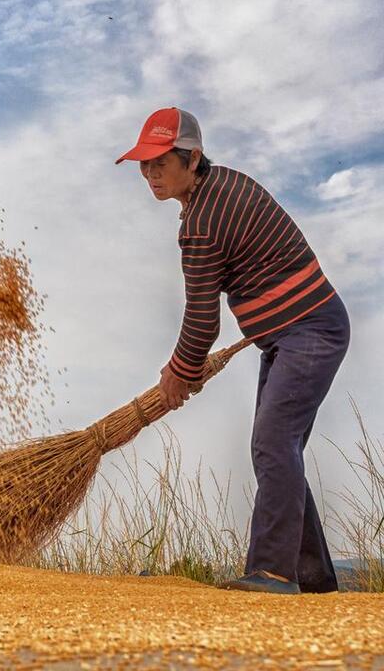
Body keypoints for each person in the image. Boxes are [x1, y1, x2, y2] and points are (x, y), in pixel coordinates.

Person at [116, 107, 350, 595]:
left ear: (193, 157)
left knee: (272, 442)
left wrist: (178, 374)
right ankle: (314, 579)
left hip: (310, 331)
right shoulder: (223, 184)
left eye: (161, 161)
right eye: (144, 164)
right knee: (278, 446)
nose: (150, 173)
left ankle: (273, 573)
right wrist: (186, 368)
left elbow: (202, 321)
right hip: (289, 336)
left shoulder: (201, 221)